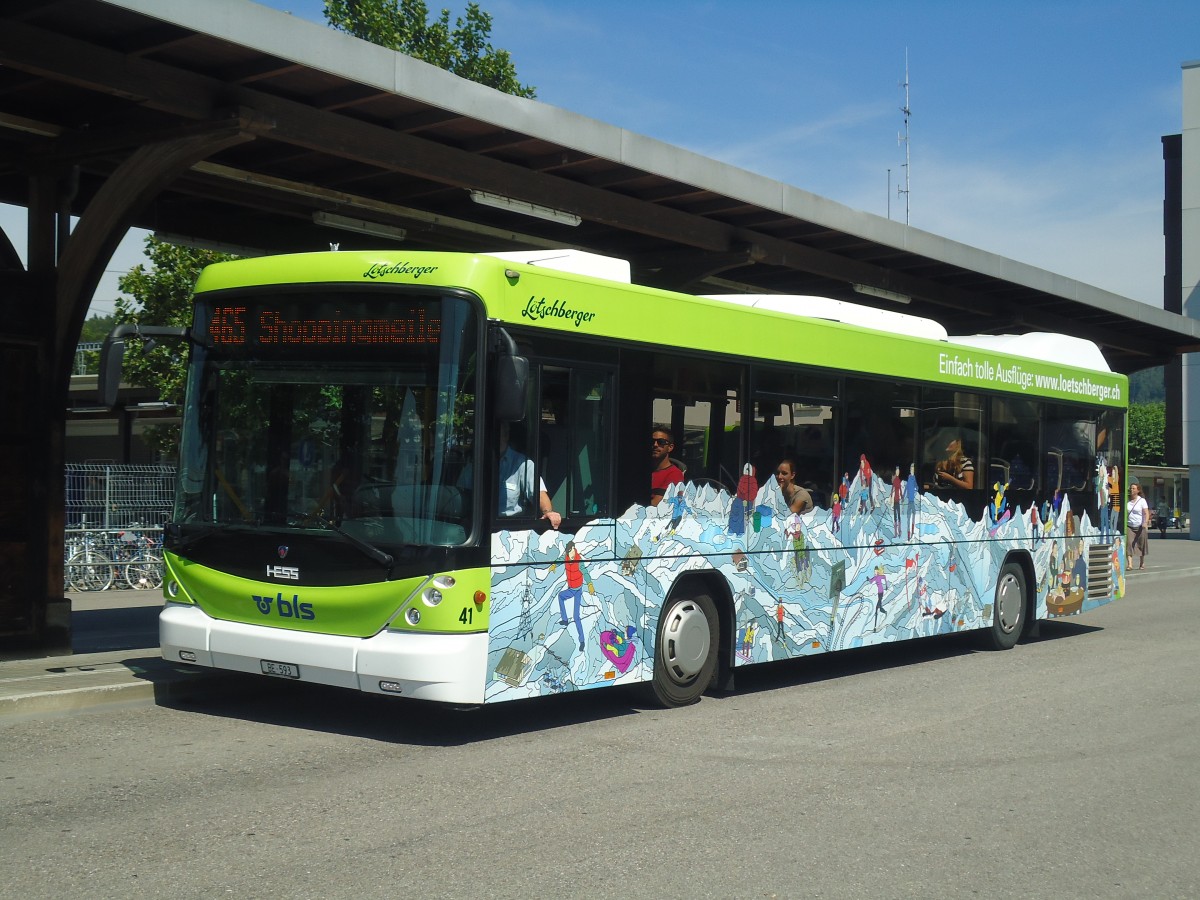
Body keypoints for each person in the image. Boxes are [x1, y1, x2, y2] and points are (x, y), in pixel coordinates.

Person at [462, 421, 560, 528]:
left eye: (496, 432)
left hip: (511, 529)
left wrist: (548, 512)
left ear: (506, 435)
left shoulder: (523, 464)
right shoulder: (474, 464)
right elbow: (460, 496)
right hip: (477, 527)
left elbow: (538, 494)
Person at [650, 426, 684, 507]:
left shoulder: (675, 474)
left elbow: (656, 504)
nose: (655, 445)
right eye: (652, 441)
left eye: (661, 442)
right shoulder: (641, 470)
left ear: (670, 447)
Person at [1126, 483, 1149, 570]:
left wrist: (1145, 522)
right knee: (1129, 543)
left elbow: (1146, 513)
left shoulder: (1142, 501)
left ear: (1138, 490)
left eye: (1134, 488)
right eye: (1131, 488)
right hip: (1129, 526)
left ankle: (1142, 563)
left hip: (1140, 526)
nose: (1132, 490)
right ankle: (1130, 565)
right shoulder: (1127, 500)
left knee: (1141, 543)